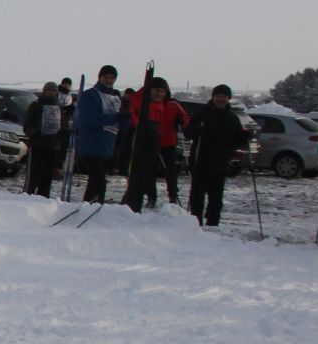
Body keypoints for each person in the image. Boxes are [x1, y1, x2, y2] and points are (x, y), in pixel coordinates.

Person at [186, 84, 250, 226]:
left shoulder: (232, 118)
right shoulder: (201, 114)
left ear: (228, 99)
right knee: (197, 196)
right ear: (213, 97)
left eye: (224, 97)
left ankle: (213, 223)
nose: (221, 99)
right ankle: (195, 223)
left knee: (216, 198)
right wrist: (197, 130)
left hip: (220, 164)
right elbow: (188, 132)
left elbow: (236, 142)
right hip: (200, 163)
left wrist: (245, 137)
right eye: (218, 96)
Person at [124, 76, 189, 211]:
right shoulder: (146, 102)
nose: (159, 94)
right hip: (150, 141)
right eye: (157, 90)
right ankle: (151, 197)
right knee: (149, 172)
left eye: (162, 91)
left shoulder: (172, 104)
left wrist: (183, 122)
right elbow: (133, 113)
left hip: (168, 142)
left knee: (170, 171)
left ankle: (172, 196)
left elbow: (186, 118)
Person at [73, 64, 124, 203]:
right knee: (98, 181)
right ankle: (92, 205)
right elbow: (89, 119)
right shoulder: (90, 95)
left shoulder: (115, 97)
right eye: (106, 77)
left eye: (112, 78)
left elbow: (122, 124)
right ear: (100, 77)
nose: (109, 80)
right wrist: (115, 118)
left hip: (107, 145)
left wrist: (126, 116)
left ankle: (91, 205)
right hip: (91, 144)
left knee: (97, 181)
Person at [21, 81, 62, 198]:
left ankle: (43, 199)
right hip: (38, 145)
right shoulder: (36, 105)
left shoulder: (59, 108)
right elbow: (27, 125)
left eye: (53, 91)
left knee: (47, 177)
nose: (51, 93)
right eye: (49, 90)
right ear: (44, 91)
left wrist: (62, 133)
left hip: (53, 146)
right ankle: (26, 197)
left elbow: (63, 126)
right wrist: (35, 134)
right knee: (33, 176)